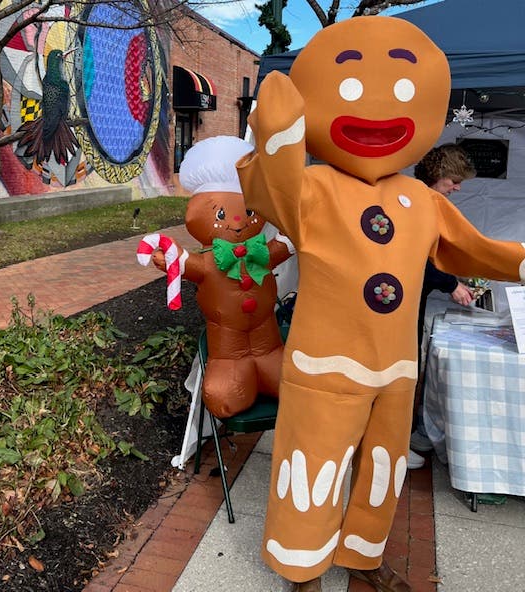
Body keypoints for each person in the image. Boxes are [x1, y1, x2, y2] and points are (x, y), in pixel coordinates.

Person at [236, 16, 525, 592]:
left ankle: (364, 557)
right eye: (347, 88)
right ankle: (303, 567)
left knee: (383, 471)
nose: (375, 106)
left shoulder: (421, 198)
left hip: (394, 367)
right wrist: (276, 125)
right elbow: (269, 185)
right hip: (324, 363)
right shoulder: (314, 188)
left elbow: (476, 250)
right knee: (312, 466)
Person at [408, 144, 477, 469]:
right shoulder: (416, 202)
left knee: (410, 370)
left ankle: (402, 436)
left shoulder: (420, 198)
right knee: (406, 371)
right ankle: (393, 444)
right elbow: (412, 259)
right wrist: (451, 285)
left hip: (410, 299)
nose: (458, 188)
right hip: (402, 303)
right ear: (437, 176)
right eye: (454, 180)